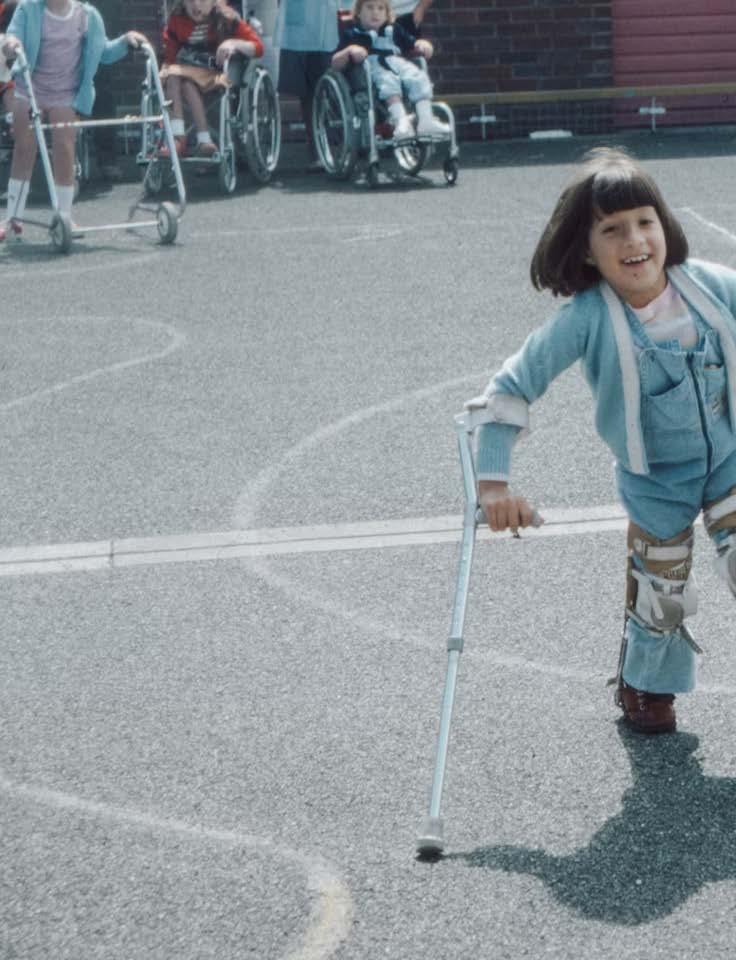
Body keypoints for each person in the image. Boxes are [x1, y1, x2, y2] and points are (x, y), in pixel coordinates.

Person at [467, 147, 736, 735]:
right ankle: (645, 683)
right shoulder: (586, 318)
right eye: (612, 229)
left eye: (645, 221)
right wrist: (493, 485)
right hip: (656, 478)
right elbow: (509, 388)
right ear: (587, 248)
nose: (634, 239)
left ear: (665, 227)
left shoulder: (713, 288)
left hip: (730, 462)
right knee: (661, 592)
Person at [0, 0, 146, 241]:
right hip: (30, 88)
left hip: (65, 93)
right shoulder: (28, 9)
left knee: (65, 147)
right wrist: (12, 44)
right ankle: (13, 216)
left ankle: (65, 215)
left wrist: (125, 42)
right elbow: (12, 37)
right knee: (24, 147)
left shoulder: (87, 16)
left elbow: (104, 52)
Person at [331, 0, 448, 143]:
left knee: (418, 76)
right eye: (370, 7)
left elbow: (411, 43)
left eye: (380, 8)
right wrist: (350, 51)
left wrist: (421, 44)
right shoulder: (353, 33)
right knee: (389, 81)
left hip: (397, 62)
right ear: (358, 13)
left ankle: (426, 120)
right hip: (372, 67)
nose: (375, 12)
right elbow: (335, 62)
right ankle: (400, 121)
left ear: (387, 15)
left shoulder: (394, 30)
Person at [160, 0, 263, 159]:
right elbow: (170, 56)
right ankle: (199, 139)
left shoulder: (227, 18)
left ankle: (180, 140)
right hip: (187, 74)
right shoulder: (177, 20)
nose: (196, 6)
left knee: (175, 76)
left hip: (217, 74)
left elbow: (258, 48)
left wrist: (233, 43)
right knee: (178, 80)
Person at [273, 0, 339, 170]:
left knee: (326, 86)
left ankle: (331, 145)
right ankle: (317, 149)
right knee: (309, 93)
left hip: (327, 24)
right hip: (299, 28)